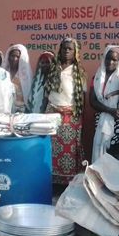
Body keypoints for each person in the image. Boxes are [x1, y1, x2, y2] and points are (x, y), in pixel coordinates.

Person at [45, 37, 87, 185]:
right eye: (64, 48)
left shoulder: (78, 72)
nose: (67, 51)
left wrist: (81, 120)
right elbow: (46, 93)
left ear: (75, 52)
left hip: (70, 117)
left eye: (70, 49)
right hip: (51, 114)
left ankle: (66, 183)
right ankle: (51, 181)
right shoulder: (53, 69)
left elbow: (82, 98)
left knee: (68, 151)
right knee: (50, 149)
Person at [90, 45, 119, 162]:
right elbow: (92, 101)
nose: (110, 62)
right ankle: (98, 177)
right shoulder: (96, 78)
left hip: (117, 123)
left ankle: (112, 179)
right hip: (100, 119)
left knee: (114, 152)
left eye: (114, 60)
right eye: (108, 58)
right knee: (99, 147)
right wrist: (110, 110)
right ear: (104, 58)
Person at [2, 44, 33, 112]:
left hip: (21, 111)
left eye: (17, 56)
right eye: (12, 56)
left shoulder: (26, 77)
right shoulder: (2, 73)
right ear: (8, 56)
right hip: (4, 109)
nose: (14, 59)